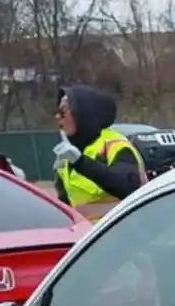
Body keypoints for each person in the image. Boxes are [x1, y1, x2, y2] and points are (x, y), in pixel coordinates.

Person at [51, 86, 145, 221]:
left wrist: (80, 162)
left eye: (63, 111)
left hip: (125, 232)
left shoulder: (113, 144)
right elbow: (66, 207)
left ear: (82, 113)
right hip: (92, 237)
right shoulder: (68, 155)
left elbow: (129, 185)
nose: (57, 116)